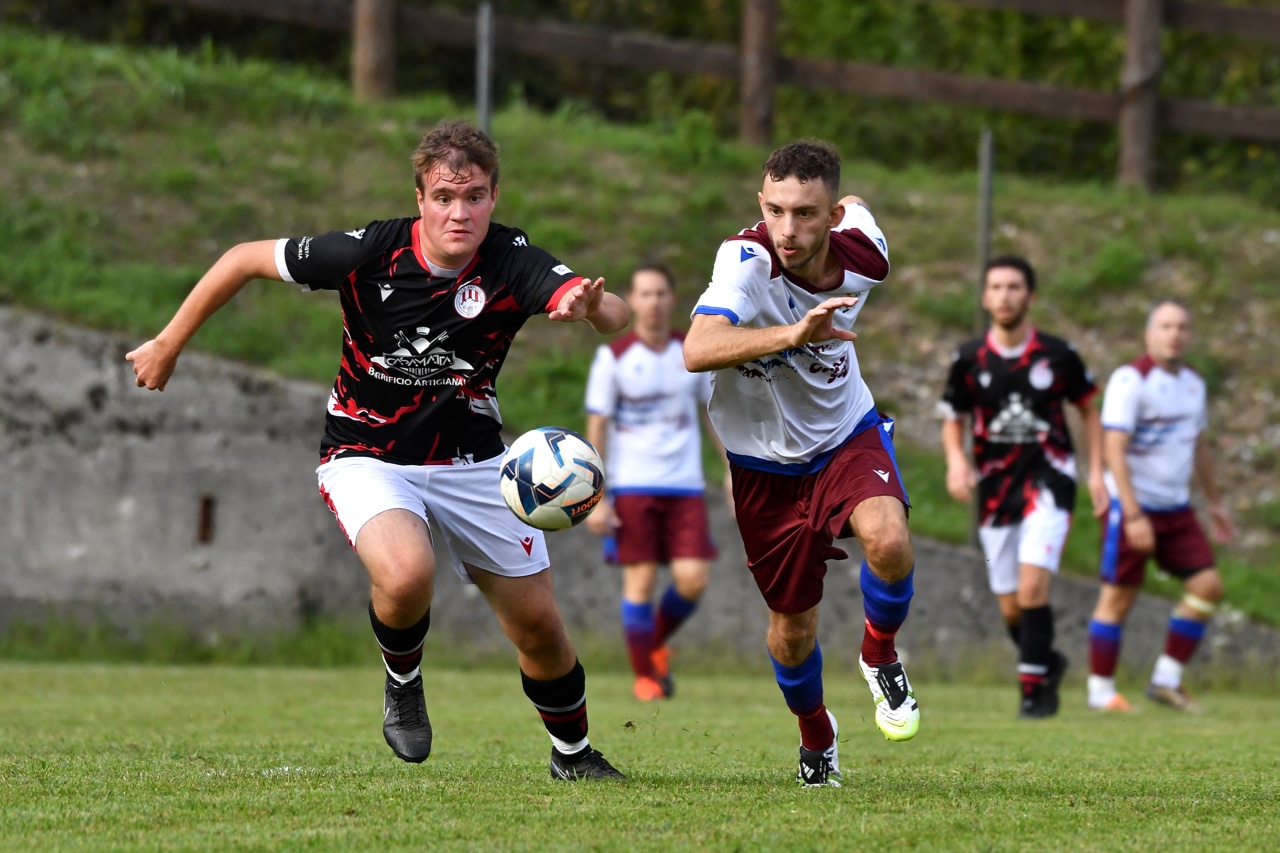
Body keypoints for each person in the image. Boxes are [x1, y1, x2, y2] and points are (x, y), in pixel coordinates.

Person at [126, 118, 630, 781]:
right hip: (366, 452)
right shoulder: (369, 252)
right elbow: (243, 258)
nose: (459, 212)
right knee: (406, 573)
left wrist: (590, 308)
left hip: (474, 461)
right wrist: (168, 342)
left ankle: (573, 755)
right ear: (420, 198)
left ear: (493, 197)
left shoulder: (512, 259)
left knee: (538, 626)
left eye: (474, 196)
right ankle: (403, 680)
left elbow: (611, 312)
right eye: (444, 197)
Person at [683, 139, 920, 789]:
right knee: (791, 630)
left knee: (890, 541)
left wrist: (846, 205)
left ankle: (879, 653)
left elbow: (860, 204)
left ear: (831, 216)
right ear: (761, 204)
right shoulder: (745, 262)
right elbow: (698, 349)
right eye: (776, 210)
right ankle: (816, 729)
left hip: (846, 435)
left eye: (807, 213)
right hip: (762, 465)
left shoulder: (866, 257)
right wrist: (793, 335)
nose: (787, 229)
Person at [939, 256, 1107, 719]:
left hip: (1050, 482)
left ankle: (1033, 695)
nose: (1005, 296)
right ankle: (1047, 661)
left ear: (1030, 296)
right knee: (1012, 606)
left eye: (1014, 287)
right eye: (996, 287)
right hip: (996, 492)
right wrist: (956, 462)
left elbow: (1090, 409)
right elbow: (953, 417)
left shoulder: (1058, 354)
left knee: (1033, 589)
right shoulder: (968, 358)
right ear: (984, 297)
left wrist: (1095, 471)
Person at [583, 263, 730, 703]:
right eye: (645, 294)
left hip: (685, 486)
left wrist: (732, 470)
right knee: (640, 584)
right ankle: (645, 676)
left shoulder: (691, 353)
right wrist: (596, 495)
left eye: (661, 293)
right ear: (633, 300)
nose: (653, 302)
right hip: (632, 486)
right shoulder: (613, 358)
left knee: (693, 580)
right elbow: (597, 426)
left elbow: (711, 415)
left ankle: (652, 646)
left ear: (673, 299)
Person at [1085, 299, 1235, 713]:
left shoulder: (1193, 383)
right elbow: (1113, 448)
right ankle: (1101, 693)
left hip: (1176, 507)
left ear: (1191, 335)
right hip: (1132, 506)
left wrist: (1216, 503)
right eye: (1165, 326)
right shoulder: (1131, 380)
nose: (1174, 334)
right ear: (1149, 334)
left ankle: (1165, 680)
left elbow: (1198, 445)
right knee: (1119, 597)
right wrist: (1133, 513)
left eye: (1182, 327)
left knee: (1208, 587)